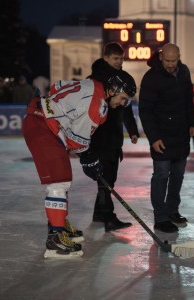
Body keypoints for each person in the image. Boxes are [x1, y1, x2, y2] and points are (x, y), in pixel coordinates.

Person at [22, 74, 136, 258]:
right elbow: (77, 143)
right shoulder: (97, 106)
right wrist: (91, 160)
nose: (123, 103)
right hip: (43, 126)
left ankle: (58, 224)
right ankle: (55, 239)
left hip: (41, 121)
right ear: (114, 89)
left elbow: (55, 87)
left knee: (61, 181)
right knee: (59, 181)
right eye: (123, 98)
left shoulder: (93, 84)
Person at [139, 43, 194, 233]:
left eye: (174, 61)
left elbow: (188, 101)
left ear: (179, 58)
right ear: (161, 57)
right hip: (162, 137)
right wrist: (153, 138)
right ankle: (160, 217)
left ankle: (172, 211)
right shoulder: (151, 78)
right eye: (168, 61)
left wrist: (191, 124)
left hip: (181, 135)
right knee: (161, 175)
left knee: (178, 176)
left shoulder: (184, 72)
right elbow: (145, 111)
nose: (171, 64)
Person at [88, 42, 140, 231]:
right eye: (116, 58)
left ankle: (99, 213)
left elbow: (126, 108)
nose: (120, 62)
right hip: (100, 137)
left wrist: (132, 130)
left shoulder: (123, 79)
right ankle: (108, 217)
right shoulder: (94, 79)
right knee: (105, 180)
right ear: (106, 58)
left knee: (108, 179)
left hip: (114, 137)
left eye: (122, 58)